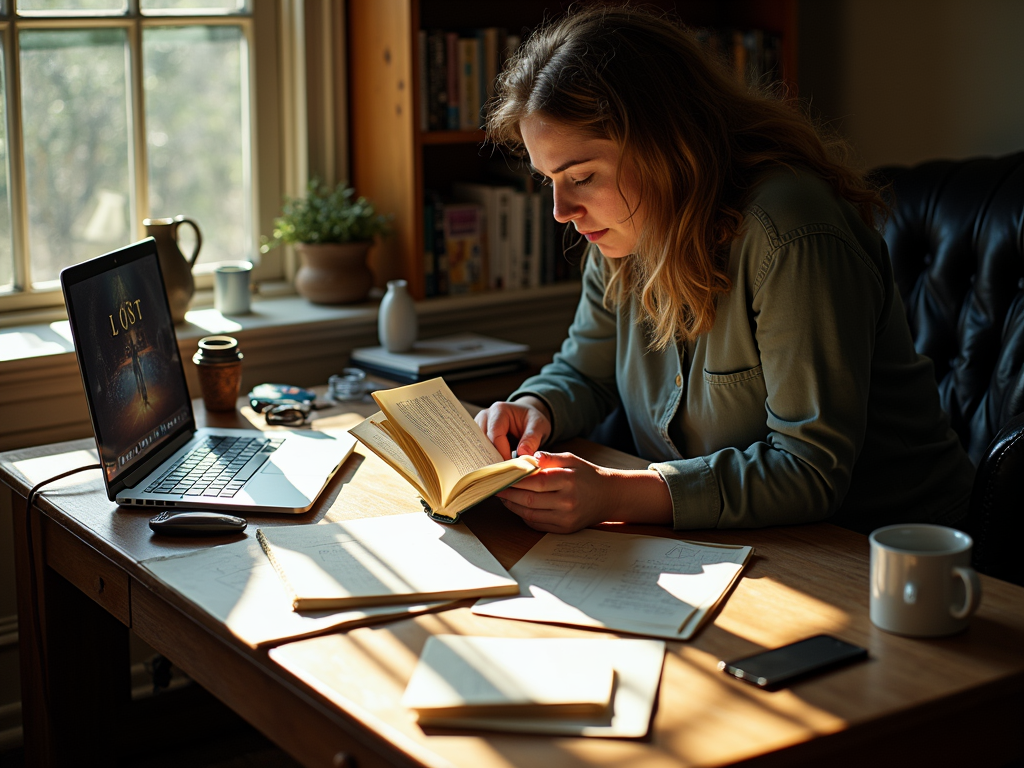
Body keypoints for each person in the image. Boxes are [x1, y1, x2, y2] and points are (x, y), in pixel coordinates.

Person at [474, 4, 976, 536]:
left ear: (666, 146)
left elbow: (809, 469)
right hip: (744, 542)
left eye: (582, 176)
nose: (561, 211)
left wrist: (616, 492)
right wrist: (534, 408)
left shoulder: (791, 232)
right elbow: (584, 372)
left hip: (887, 550)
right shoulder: (624, 232)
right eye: (548, 178)